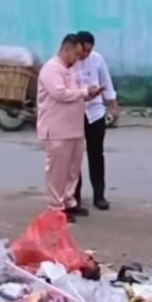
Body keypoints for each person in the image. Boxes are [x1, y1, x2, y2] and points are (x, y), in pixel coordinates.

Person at [36, 34, 101, 222]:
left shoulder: (69, 69)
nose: (79, 58)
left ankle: (68, 201)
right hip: (56, 130)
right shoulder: (51, 69)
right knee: (57, 171)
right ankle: (56, 207)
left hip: (74, 128)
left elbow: (76, 92)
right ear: (66, 49)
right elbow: (60, 93)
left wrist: (88, 94)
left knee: (73, 169)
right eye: (76, 54)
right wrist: (83, 92)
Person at [73, 31, 119, 212]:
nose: (85, 55)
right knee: (74, 157)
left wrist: (113, 106)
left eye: (89, 51)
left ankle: (99, 195)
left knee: (96, 155)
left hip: (95, 113)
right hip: (73, 114)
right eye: (83, 50)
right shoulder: (68, 60)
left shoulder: (97, 59)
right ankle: (73, 196)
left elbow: (106, 82)